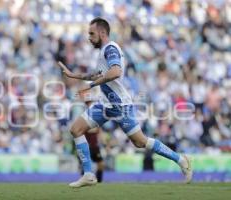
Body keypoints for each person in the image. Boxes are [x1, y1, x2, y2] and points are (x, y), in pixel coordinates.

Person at [58, 17, 192, 188]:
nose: (89, 38)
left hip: (120, 105)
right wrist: (73, 75)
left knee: (140, 141)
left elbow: (115, 72)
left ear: (102, 32)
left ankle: (181, 160)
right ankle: (88, 174)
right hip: (105, 103)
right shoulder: (104, 51)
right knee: (75, 129)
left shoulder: (110, 49)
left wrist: (91, 85)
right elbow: (97, 74)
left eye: (92, 34)